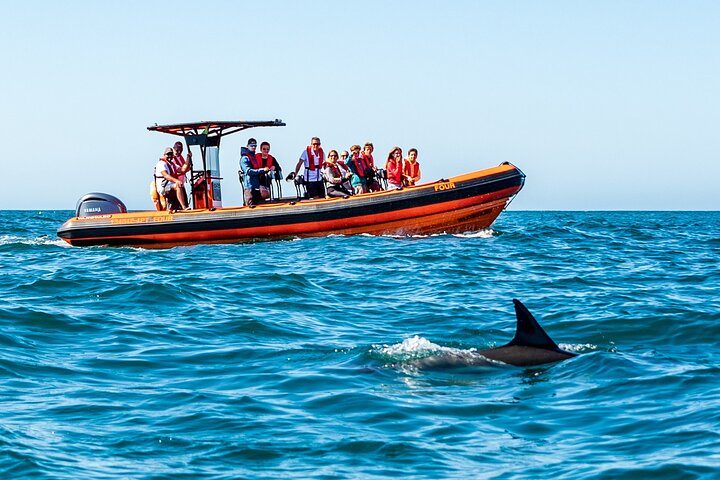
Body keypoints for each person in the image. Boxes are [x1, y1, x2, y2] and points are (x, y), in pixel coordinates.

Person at [155, 147, 190, 211]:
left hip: (170, 185)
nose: (169, 156)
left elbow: (183, 169)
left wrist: (188, 158)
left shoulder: (172, 164)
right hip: (163, 187)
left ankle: (178, 206)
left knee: (180, 185)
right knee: (177, 185)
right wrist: (177, 181)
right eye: (168, 154)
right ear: (164, 154)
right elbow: (166, 176)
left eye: (171, 154)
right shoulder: (161, 164)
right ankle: (184, 207)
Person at [240, 138, 270, 207]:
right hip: (249, 188)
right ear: (247, 146)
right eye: (252, 145)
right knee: (251, 206)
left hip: (256, 187)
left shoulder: (253, 157)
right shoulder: (245, 158)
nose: (253, 147)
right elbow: (248, 171)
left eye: (255, 146)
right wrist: (262, 170)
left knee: (261, 205)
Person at [170, 141, 192, 208]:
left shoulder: (180, 157)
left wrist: (187, 165)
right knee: (177, 203)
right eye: (177, 150)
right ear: (173, 148)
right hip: (175, 184)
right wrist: (188, 158)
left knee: (185, 201)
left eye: (180, 150)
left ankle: (184, 208)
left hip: (182, 184)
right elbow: (182, 170)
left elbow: (185, 168)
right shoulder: (172, 159)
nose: (178, 152)